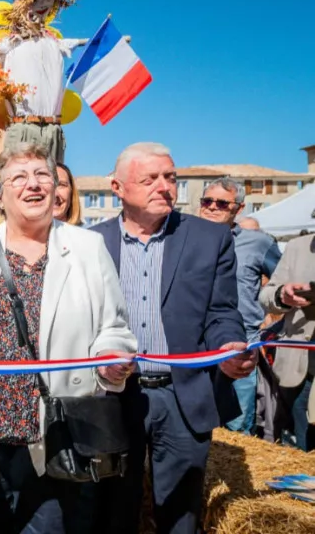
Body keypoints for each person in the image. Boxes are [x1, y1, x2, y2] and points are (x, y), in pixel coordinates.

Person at [0, 141, 137, 533]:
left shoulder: (87, 247)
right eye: (19, 177)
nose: (34, 185)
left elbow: (113, 327)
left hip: (57, 433)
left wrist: (111, 363)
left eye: (42, 175)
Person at [93, 142, 253, 534]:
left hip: (182, 398)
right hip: (114, 397)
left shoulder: (209, 239)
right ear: (117, 187)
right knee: (114, 513)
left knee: (180, 518)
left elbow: (222, 313)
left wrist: (229, 347)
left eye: (171, 177)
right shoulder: (89, 244)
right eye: (150, 179)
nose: (165, 186)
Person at [198, 178, 281, 434]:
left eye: (221, 203)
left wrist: (274, 320)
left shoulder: (259, 243)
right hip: (194, 347)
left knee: (238, 427)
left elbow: (281, 284)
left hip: (241, 345)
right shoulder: (183, 239)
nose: (212, 207)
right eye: (207, 201)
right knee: (197, 424)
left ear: (239, 208)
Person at [259, 233, 315, 451]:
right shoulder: (297, 247)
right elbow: (267, 295)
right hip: (299, 368)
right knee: (301, 449)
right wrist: (282, 295)